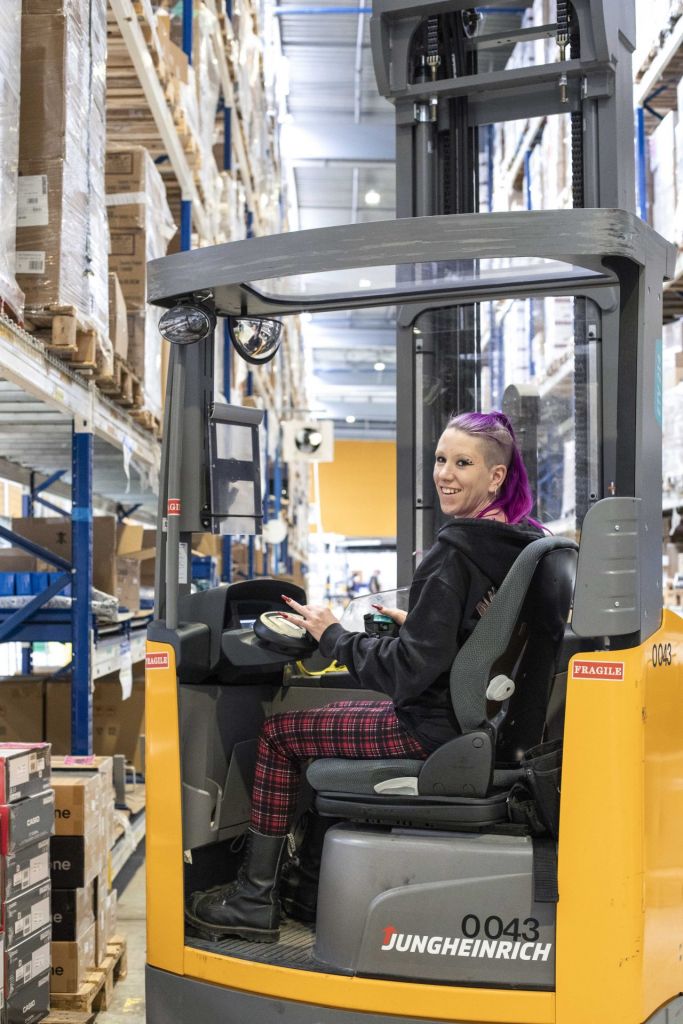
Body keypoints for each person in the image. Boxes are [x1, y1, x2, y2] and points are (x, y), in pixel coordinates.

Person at [186, 410, 545, 942]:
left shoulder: (454, 551)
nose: (445, 473)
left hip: (430, 726)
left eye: (462, 463)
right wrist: (416, 625)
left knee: (281, 735)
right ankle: (309, 892)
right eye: (441, 459)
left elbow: (404, 675)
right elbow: (479, 637)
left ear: (495, 477)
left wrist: (332, 634)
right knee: (320, 727)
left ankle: (253, 900)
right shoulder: (523, 542)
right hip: (480, 721)